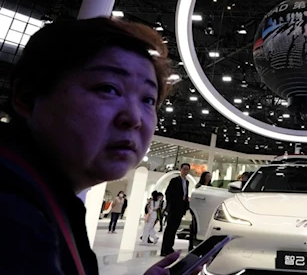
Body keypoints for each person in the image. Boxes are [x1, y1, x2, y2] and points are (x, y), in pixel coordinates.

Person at [0, 17, 183, 274]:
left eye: (148, 100)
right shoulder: (14, 217)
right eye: (108, 89)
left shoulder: (47, 199)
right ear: (27, 98)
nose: (134, 119)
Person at [161, 163, 191, 256]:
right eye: (184, 169)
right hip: (173, 207)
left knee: (174, 229)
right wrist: (172, 203)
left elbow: (185, 195)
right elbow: (168, 193)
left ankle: (170, 247)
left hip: (181, 208)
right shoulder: (175, 180)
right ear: (180, 170)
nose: (186, 171)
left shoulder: (187, 182)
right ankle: (164, 249)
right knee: (169, 228)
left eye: (187, 169)